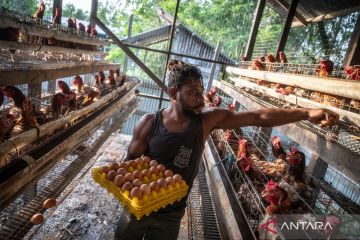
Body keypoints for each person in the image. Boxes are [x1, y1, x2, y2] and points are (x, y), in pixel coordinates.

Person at [114, 59, 339, 240]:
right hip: (137, 209)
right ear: (173, 94)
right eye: (192, 92)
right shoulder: (148, 123)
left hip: (172, 215)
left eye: (201, 91)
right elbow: (127, 168)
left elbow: (258, 116)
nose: (200, 98)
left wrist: (306, 113)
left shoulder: (206, 122)